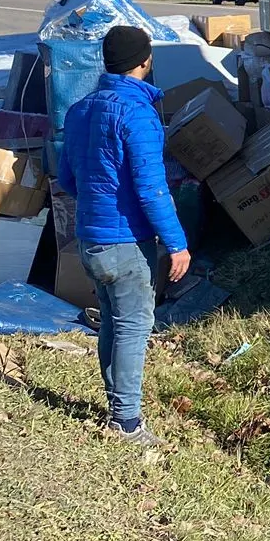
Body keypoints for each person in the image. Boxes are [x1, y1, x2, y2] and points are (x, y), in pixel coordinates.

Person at [53, 25, 189, 447]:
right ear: (145, 61)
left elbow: (67, 178)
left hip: (90, 238)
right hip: (127, 242)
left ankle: (117, 406)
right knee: (133, 326)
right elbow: (152, 187)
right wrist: (177, 243)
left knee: (113, 322)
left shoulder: (79, 110)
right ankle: (126, 423)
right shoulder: (138, 114)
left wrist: (100, 200)